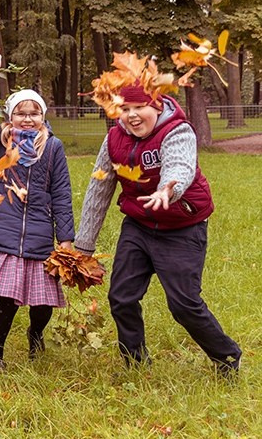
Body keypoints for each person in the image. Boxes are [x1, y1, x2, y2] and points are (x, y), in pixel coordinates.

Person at [75, 81, 241, 375]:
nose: (132, 115)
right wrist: (84, 245)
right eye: (125, 109)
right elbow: (98, 189)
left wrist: (167, 190)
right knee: (121, 297)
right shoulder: (113, 139)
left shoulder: (177, 130)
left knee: (184, 305)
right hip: (138, 225)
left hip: (181, 226)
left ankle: (227, 356)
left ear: (156, 105)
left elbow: (180, 166)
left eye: (139, 107)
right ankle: (135, 364)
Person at [0, 42, 75, 369]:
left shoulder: (52, 148)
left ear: (42, 116)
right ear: (11, 117)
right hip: (5, 230)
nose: (28, 118)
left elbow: (62, 193)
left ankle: (35, 335)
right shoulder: (2, 140)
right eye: (21, 113)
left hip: (39, 234)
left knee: (44, 301)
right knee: (9, 298)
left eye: (34, 113)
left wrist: (64, 238)